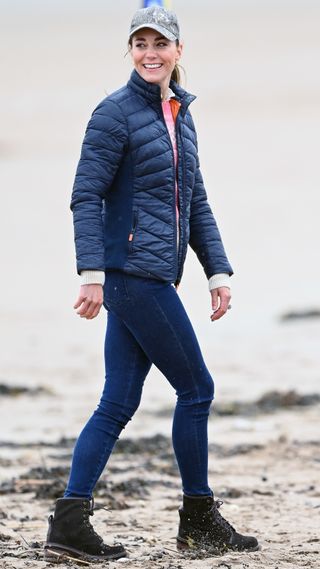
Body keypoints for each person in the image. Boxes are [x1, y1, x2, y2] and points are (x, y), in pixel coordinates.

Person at [44, 5, 259, 564]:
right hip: (131, 276)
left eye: (159, 44)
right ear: (130, 52)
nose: (149, 53)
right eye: (139, 44)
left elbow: (196, 201)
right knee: (197, 390)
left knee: (118, 400)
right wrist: (91, 274)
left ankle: (69, 520)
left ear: (178, 52)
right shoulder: (113, 113)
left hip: (152, 273)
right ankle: (198, 519)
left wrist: (218, 270)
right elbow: (85, 196)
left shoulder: (179, 114)